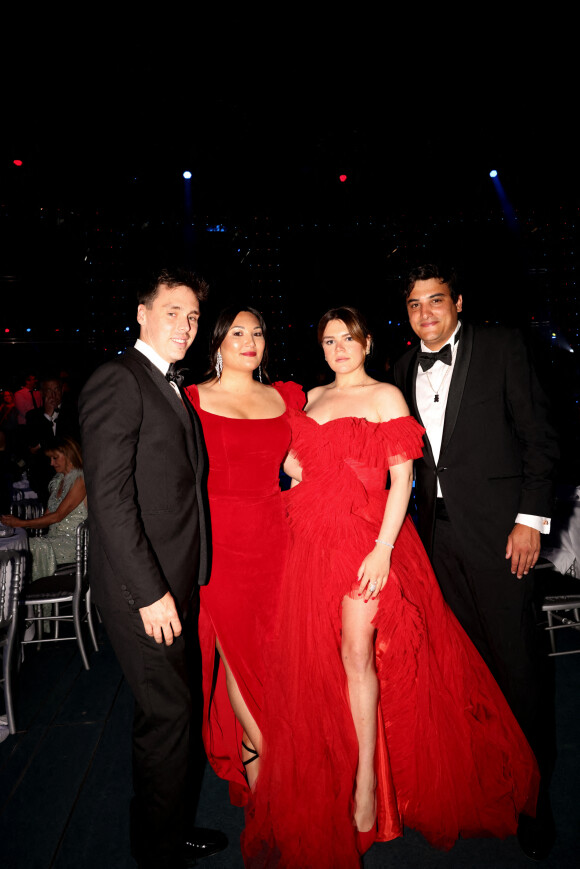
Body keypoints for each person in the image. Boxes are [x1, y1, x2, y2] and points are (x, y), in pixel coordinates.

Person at [243, 306, 539, 869]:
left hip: (365, 544)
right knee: (318, 663)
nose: (337, 349)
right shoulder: (307, 398)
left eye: (346, 339)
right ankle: (338, 775)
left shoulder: (386, 397)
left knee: (359, 657)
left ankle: (364, 792)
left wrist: (381, 549)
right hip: (306, 542)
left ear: (366, 342)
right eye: (328, 341)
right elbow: (292, 464)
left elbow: (403, 480)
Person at [392, 263, 559, 860]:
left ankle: (536, 801)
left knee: (519, 670)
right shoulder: (402, 368)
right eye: (414, 305)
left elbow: (541, 436)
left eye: (436, 301)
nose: (425, 313)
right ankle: (493, 781)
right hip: (435, 542)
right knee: (469, 671)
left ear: (458, 302)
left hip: (501, 537)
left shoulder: (501, 345)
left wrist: (529, 520)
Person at [78, 268, 226, 869]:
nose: (185, 327)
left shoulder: (167, 384)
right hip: (144, 590)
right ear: (141, 314)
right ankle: (159, 852)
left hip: (172, 581)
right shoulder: (120, 379)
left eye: (192, 317)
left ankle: (166, 828)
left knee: (170, 716)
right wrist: (150, 592)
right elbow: (109, 500)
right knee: (168, 718)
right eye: (173, 313)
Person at [184, 306, 303, 804]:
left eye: (257, 332)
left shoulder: (284, 396)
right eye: (237, 332)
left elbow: (300, 468)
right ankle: (276, 775)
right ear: (215, 340)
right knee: (241, 660)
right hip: (220, 548)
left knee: (278, 660)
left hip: (278, 543)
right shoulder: (188, 400)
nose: (250, 340)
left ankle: (268, 774)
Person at [0, 436, 87, 579]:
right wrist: (17, 525)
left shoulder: (80, 479)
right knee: (23, 544)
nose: (51, 463)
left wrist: (21, 523)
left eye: (54, 458)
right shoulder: (58, 481)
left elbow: (57, 516)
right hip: (53, 539)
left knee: (30, 546)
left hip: (74, 543)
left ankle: (22, 594)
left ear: (68, 455)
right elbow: (47, 516)